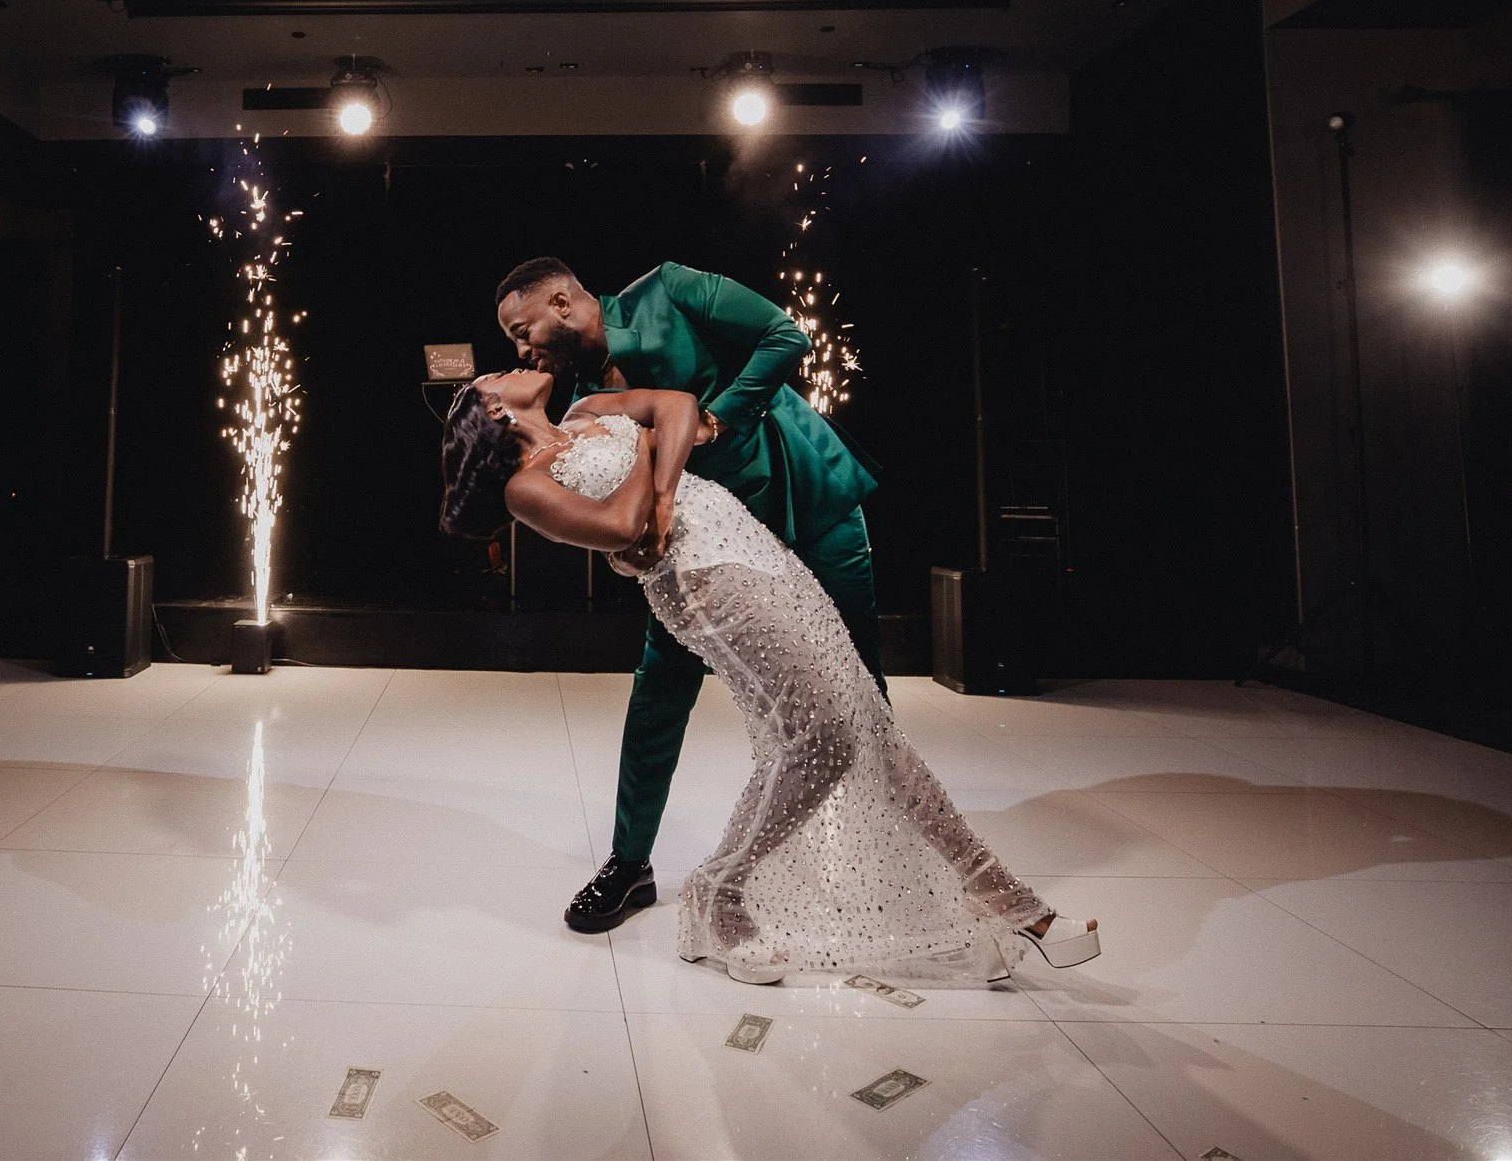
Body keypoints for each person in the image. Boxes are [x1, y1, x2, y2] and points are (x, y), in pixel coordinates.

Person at [439, 370, 1100, 984]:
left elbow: (677, 406)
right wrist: (645, 447)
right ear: (492, 408)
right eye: (497, 375)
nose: (514, 365)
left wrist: (657, 484)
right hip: (705, 586)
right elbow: (619, 527)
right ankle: (719, 897)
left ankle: (1011, 903)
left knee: (874, 732)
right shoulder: (526, 485)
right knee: (825, 738)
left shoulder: (587, 410)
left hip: (759, 555)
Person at [494, 256, 883, 934]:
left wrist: (719, 419)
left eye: (520, 331)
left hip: (807, 497)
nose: (521, 351)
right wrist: (625, 547)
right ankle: (629, 865)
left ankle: (875, 849)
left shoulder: (669, 289)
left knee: (860, 682)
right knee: (658, 692)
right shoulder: (579, 394)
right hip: (706, 551)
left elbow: (785, 336)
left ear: (560, 302)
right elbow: (612, 494)